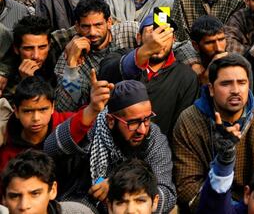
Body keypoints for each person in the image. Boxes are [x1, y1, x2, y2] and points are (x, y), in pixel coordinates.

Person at [173, 54, 254, 210]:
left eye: (241, 83)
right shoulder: (189, 121)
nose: (235, 90)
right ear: (211, 89)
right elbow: (187, 188)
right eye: (226, 84)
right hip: (210, 205)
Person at [44, 78, 177, 213]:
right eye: (133, 122)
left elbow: (167, 194)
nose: (142, 129)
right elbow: (51, 149)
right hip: (86, 202)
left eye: (147, 119)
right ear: (111, 121)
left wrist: (119, 184)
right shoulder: (93, 128)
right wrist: (91, 110)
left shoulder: (154, 138)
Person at [100, 14, 198, 138]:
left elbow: (181, 127)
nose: (158, 39)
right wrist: (146, 51)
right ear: (139, 37)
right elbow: (107, 72)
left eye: (164, 33)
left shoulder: (186, 77)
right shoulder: (120, 55)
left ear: (173, 39)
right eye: (152, 32)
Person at [53, 0, 139, 112]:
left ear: (109, 22)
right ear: (77, 26)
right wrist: (72, 64)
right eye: (86, 26)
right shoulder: (69, 55)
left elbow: (160, 35)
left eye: (98, 25)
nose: (92, 32)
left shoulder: (128, 31)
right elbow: (66, 109)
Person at [1, 150, 94, 214]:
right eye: (15, 196)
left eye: (35, 194)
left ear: (52, 190)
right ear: (4, 199)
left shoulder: (77, 212)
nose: (24, 206)